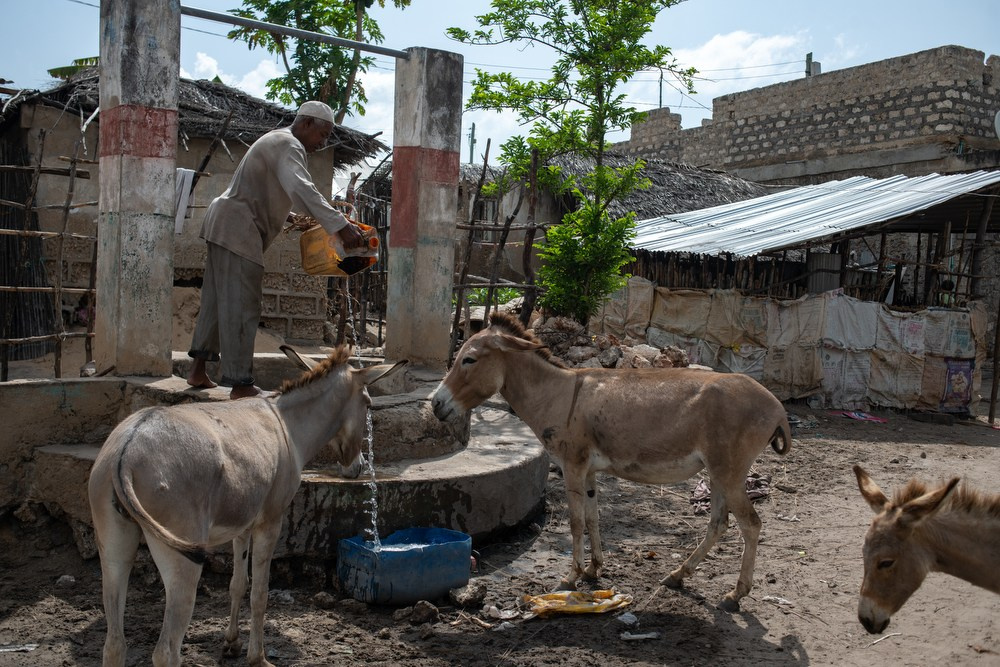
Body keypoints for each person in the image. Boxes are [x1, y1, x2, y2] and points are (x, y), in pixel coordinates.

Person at [187, 101, 365, 399]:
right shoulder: (289, 144)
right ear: (306, 124)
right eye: (322, 134)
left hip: (224, 223)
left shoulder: (276, 140)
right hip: (237, 228)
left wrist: (291, 216)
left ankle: (198, 370)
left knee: (217, 301)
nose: (322, 143)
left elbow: (266, 189)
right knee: (243, 304)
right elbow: (301, 189)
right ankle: (240, 383)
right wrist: (340, 226)